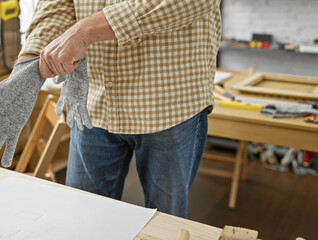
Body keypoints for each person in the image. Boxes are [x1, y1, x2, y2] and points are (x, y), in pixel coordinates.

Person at [20, 0, 221, 218]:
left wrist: (85, 31)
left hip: (169, 104)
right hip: (94, 102)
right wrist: (30, 57)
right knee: (82, 219)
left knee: (165, 223)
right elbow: (58, 3)